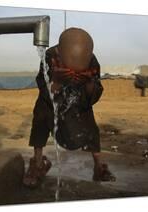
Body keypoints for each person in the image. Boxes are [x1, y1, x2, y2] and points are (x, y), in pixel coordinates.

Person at [23, 27, 116, 188]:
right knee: (40, 118)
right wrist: (57, 81)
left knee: (90, 126)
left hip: (78, 99)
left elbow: (96, 91)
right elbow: (43, 86)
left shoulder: (91, 60)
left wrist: (88, 84)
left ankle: (99, 166)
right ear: (60, 53)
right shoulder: (50, 57)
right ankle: (38, 164)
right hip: (50, 100)